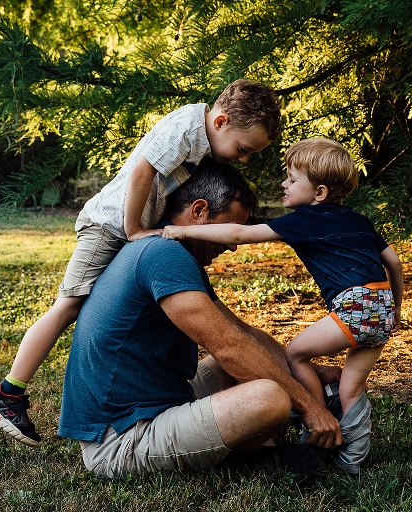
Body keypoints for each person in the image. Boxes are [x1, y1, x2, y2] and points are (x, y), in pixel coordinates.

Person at [0, 79, 281, 446]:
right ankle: (8, 392)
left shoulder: (203, 141)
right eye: (244, 149)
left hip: (125, 227)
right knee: (68, 305)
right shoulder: (185, 127)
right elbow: (142, 171)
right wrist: (134, 229)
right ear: (221, 122)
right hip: (108, 224)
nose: (244, 159)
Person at [57, 161, 342, 477]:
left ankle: (251, 445)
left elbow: (241, 333)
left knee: (251, 362)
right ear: (199, 211)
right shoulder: (165, 254)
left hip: (156, 404)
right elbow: (227, 346)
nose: (233, 245)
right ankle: (248, 460)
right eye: (229, 228)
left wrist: (311, 374)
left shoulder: (169, 250)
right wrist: (309, 407)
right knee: (270, 397)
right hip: (120, 440)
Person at [163, 138, 404, 475]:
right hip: (381, 307)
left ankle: (316, 422)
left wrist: (180, 230)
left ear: (318, 193)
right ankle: (353, 460)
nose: (283, 184)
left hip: (355, 305)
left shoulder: (306, 219)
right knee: (352, 387)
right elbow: (392, 261)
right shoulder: (359, 221)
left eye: (292, 179)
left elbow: (237, 234)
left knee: (296, 355)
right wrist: (396, 310)